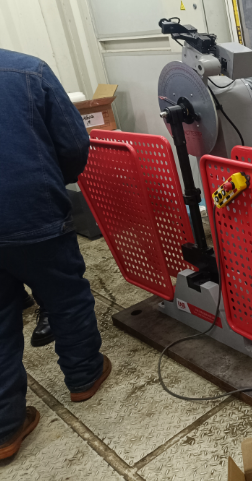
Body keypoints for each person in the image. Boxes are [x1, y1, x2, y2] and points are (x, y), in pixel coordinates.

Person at [0, 49, 112, 460]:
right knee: (65, 295)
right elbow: (74, 142)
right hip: (32, 211)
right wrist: (50, 179)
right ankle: (84, 377)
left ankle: (5, 429)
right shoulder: (29, 70)